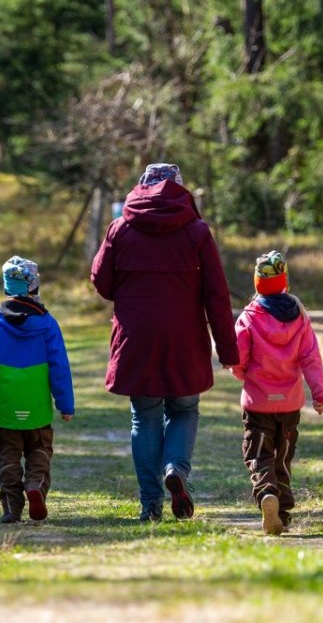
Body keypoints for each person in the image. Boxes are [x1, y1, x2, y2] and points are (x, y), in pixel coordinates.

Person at [90, 163, 239, 523]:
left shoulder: (120, 228)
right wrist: (228, 350)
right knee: (184, 410)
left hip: (136, 338)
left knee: (144, 416)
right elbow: (217, 295)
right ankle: (176, 469)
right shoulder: (197, 231)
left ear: (141, 187)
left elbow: (101, 281)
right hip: (184, 339)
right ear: (180, 188)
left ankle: (150, 504)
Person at [0, 256, 75, 524]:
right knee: (39, 449)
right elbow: (59, 366)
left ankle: (12, 509)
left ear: (6, 288)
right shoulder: (48, 324)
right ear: (34, 287)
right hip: (36, 405)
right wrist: (65, 405)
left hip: (5, 406)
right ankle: (35, 484)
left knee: (7, 457)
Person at [230, 250, 323, 536]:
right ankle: (281, 514)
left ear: (257, 283)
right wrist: (319, 394)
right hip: (289, 405)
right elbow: (312, 359)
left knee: (259, 455)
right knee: (283, 458)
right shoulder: (300, 316)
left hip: (258, 404)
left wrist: (240, 373)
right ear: (285, 281)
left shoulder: (249, 317)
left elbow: (238, 357)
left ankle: (266, 494)